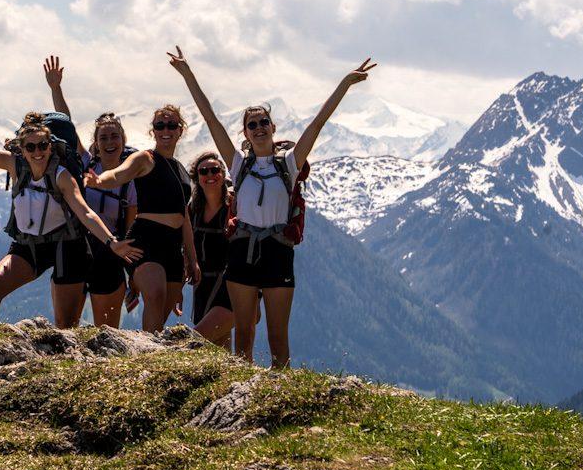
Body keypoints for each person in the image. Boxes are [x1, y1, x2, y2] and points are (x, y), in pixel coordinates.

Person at [169, 45, 377, 367]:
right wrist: (187, 74)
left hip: (278, 252)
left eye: (263, 122)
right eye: (252, 125)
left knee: (278, 338)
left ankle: (279, 394)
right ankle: (243, 397)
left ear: (273, 127)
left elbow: (318, 123)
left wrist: (345, 83)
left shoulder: (290, 164)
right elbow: (210, 118)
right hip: (241, 253)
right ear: (246, 133)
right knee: (244, 338)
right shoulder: (238, 166)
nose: (259, 128)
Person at [0, 96, 142, 328]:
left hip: (69, 246)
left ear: (51, 145)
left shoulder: (62, 176)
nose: (38, 152)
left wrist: (111, 242)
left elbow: (85, 213)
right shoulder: (14, 164)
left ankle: (64, 360)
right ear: (21, 149)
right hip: (30, 244)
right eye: (31, 147)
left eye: (43, 146)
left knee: (65, 324)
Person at [84, 103, 199, 332]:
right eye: (159, 125)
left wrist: (192, 258)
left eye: (171, 125)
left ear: (180, 130)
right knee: (155, 294)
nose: (165, 129)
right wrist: (100, 181)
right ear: (153, 131)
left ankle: (148, 353)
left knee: (162, 313)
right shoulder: (145, 159)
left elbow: (184, 216)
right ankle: (145, 356)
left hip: (173, 247)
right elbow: (119, 173)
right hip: (147, 240)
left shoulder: (182, 170)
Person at [43, 56, 137, 327]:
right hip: (76, 248)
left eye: (114, 137)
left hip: (109, 254)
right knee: (65, 328)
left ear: (123, 141)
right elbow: (66, 126)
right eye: (103, 137)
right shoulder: (85, 163)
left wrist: (132, 274)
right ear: (95, 143)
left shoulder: (131, 180)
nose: (109, 142)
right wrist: (55, 88)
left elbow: (129, 229)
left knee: (106, 333)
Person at [187, 151, 235, 348]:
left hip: (231, 287)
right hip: (202, 287)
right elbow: (186, 246)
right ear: (197, 178)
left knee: (194, 342)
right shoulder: (193, 211)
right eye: (203, 171)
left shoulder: (234, 206)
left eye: (215, 170)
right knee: (218, 351)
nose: (209, 175)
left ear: (223, 174)